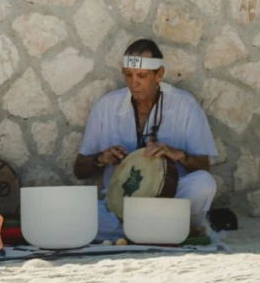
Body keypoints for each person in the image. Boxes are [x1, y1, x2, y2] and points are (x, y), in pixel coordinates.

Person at [72, 37, 218, 239]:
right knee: (77, 214)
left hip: (169, 199)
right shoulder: (106, 107)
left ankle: (136, 233)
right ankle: (168, 230)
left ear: (159, 75)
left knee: (204, 183)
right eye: (128, 75)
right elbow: (79, 169)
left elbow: (203, 166)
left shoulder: (185, 106)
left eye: (141, 76)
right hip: (121, 206)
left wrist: (178, 155)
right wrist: (100, 159)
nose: (134, 83)